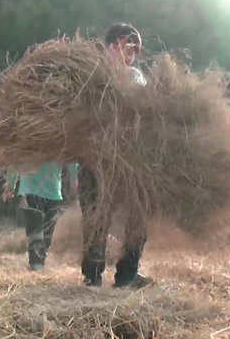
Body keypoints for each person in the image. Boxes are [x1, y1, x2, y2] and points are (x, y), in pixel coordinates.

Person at [79, 22, 153, 289]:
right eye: (125, 46)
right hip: (92, 159)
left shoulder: (135, 76)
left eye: (134, 50)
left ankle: (128, 274)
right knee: (95, 217)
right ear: (110, 46)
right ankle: (93, 276)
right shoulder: (89, 75)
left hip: (129, 160)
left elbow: (145, 112)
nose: (129, 54)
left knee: (138, 216)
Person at [3, 162, 78, 271]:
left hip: (53, 192)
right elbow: (15, 155)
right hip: (30, 189)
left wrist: (74, 180)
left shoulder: (61, 144)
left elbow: (72, 157)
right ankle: (36, 265)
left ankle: (39, 263)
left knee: (47, 234)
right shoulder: (26, 144)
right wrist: (10, 185)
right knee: (35, 229)